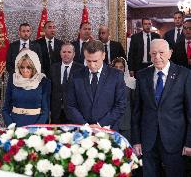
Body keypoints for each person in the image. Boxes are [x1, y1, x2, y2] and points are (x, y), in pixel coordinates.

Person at [132, 39, 191, 177]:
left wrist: (189, 142)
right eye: (153, 53)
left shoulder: (185, 75)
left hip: (175, 141)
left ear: (170, 53)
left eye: (161, 52)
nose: (157, 57)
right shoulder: (142, 75)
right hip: (148, 141)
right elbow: (137, 111)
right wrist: (136, 140)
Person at [66, 40, 126, 131]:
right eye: (88, 61)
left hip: (108, 131)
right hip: (82, 131)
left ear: (103, 56)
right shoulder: (75, 76)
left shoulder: (116, 76)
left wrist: (100, 124)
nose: (92, 65)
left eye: (95, 61)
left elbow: (120, 105)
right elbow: (70, 105)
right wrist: (85, 125)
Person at [2, 49, 51, 127]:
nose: (25, 70)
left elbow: (45, 111)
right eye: (22, 67)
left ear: (34, 67)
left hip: (35, 125)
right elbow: (5, 109)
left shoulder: (43, 81)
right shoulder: (13, 79)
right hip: (14, 125)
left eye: (28, 67)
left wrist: (35, 128)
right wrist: (11, 126)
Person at [50, 42, 83, 124]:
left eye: (69, 52)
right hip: (56, 111)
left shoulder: (81, 69)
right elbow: (50, 89)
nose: (66, 54)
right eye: (64, 52)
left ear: (74, 54)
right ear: (60, 53)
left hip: (73, 112)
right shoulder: (53, 68)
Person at [111, 57, 136, 142]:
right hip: (111, 121)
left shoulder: (132, 82)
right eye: (116, 67)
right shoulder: (106, 82)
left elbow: (134, 104)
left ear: (125, 68)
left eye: (121, 67)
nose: (118, 69)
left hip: (126, 122)